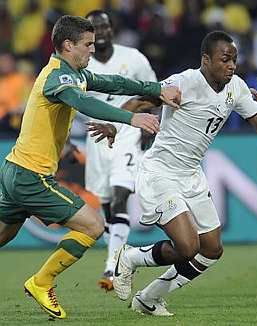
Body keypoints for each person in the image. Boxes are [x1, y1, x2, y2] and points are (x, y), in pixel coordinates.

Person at [0, 15, 180, 319]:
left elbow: (115, 82)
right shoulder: (58, 76)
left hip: (15, 169)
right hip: (32, 175)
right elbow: (84, 104)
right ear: (68, 45)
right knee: (94, 225)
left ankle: (41, 281)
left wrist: (156, 89)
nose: (92, 51)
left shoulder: (71, 73)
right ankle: (41, 282)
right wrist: (131, 118)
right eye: (87, 45)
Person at [112, 30, 257, 316]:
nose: (232, 66)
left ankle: (149, 298)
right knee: (188, 246)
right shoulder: (183, 82)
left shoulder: (235, 88)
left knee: (211, 249)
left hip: (191, 175)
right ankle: (129, 257)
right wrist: (114, 125)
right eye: (225, 59)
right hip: (160, 173)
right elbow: (140, 101)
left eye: (234, 60)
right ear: (206, 59)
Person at [84, 10, 158, 291]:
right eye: (94, 28)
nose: (100, 31)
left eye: (104, 26)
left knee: (119, 197)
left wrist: (149, 125)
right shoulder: (81, 63)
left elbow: (154, 92)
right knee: (106, 209)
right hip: (96, 138)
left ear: (112, 29)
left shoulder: (134, 58)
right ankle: (119, 256)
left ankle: (112, 268)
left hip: (128, 132)